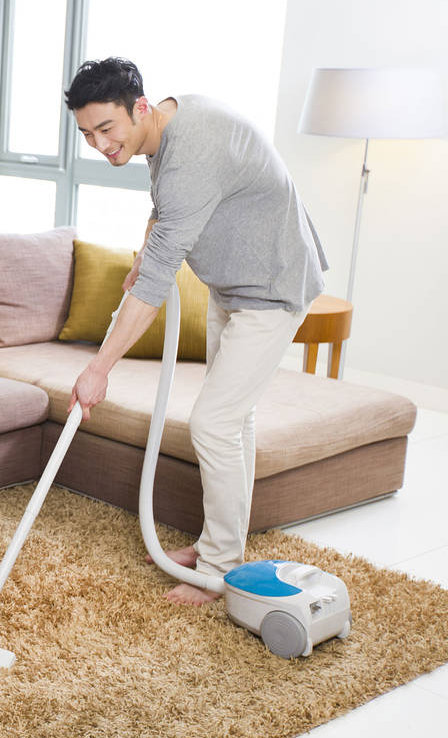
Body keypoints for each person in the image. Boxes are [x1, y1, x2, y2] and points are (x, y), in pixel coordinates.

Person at [63, 57, 328, 606]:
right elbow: (165, 211)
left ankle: (218, 569)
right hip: (233, 287)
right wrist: (144, 251)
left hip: (273, 289)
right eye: (87, 134)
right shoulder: (167, 128)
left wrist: (97, 370)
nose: (99, 144)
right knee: (235, 421)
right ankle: (219, 546)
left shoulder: (193, 150)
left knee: (212, 422)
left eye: (106, 129)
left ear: (139, 107)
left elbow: (155, 285)